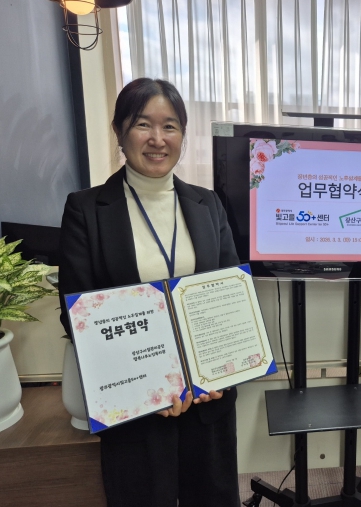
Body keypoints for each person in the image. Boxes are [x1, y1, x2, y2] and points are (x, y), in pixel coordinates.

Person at [58, 78, 241, 507]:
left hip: (206, 398)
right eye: (143, 124)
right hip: (134, 402)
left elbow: (232, 294)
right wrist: (151, 389)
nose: (158, 139)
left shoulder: (208, 204)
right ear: (120, 132)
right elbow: (78, 313)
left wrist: (218, 373)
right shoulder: (86, 209)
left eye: (170, 126)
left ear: (183, 134)